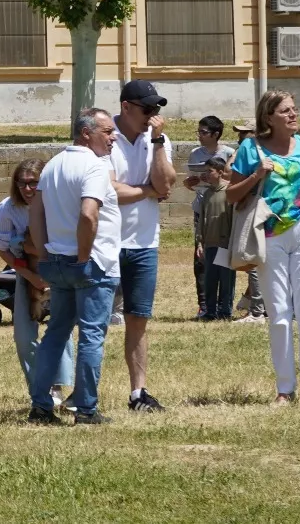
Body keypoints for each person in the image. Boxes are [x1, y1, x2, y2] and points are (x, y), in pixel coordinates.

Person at [227, 91, 300, 406]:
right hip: (268, 235)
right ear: (268, 117)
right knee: (279, 313)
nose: (293, 115)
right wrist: (257, 175)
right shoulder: (250, 148)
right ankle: (284, 389)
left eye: (294, 109)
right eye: (285, 110)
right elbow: (232, 196)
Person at [26, 108, 122, 425]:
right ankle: (86, 409)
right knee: (92, 337)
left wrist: (43, 253)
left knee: (55, 334)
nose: (114, 136)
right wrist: (84, 255)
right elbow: (88, 214)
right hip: (90, 263)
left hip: (57, 261)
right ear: (86, 133)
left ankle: (40, 406)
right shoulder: (94, 167)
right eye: (107, 131)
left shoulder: (53, 164)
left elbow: (35, 212)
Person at [109, 79, 174, 413]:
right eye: (147, 109)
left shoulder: (157, 139)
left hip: (144, 244)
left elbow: (165, 183)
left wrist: (159, 142)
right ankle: (79, 392)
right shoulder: (105, 136)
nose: (153, 116)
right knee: (89, 321)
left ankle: (138, 393)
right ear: (126, 107)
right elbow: (109, 191)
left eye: (156, 109)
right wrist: (147, 191)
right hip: (105, 243)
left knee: (138, 320)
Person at [0, 158, 74, 401]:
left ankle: (57, 386)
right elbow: (3, 249)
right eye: (22, 183)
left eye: (33, 183)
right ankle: (38, 387)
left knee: (60, 331)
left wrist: (33, 249)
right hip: (25, 274)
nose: (27, 189)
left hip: (58, 272)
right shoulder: (7, 209)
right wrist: (30, 275)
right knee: (23, 336)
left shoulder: (58, 205)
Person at [183, 116, 232, 319]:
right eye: (199, 132)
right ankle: (204, 305)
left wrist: (217, 177)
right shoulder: (196, 154)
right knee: (202, 260)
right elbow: (188, 182)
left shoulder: (229, 153)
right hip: (202, 208)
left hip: (222, 209)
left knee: (224, 261)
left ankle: (223, 306)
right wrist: (191, 182)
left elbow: (234, 178)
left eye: (203, 132)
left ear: (215, 134)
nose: (199, 136)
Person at [197, 157, 236, 321]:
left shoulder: (229, 192)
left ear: (220, 172)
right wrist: (200, 242)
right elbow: (201, 219)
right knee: (210, 279)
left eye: (210, 171)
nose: (206, 174)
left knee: (226, 280)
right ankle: (210, 310)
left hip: (225, 243)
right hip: (210, 243)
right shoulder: (207, 194)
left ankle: (225, 310)